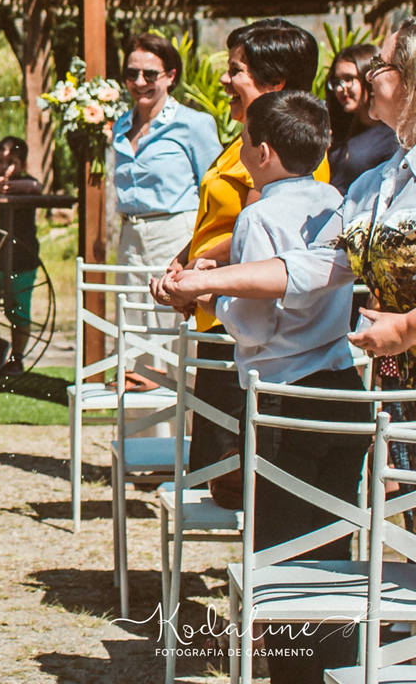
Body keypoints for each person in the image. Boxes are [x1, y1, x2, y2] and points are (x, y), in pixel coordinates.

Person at [154, 43, 416, 681]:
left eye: (378, 67)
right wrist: (213, 275)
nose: (356, 79)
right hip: (388, 392)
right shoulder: (377, 182)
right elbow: (319, 266)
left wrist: (409, 326)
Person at [153, 18, 328, 479]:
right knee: (221, 478)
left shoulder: (284, 153)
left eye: (237, 71)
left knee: (239, 480)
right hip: (221, 319)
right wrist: (186, 257)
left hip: (247, 332)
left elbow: (264, 235)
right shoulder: (242, 140)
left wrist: (199, 278)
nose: (225, 81)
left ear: (274, 83)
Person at [112, 33, 221, 287]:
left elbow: (214, 189)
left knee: (169, 317)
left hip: (174, 235)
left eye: (150, 75)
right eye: (131, 74)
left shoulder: (193, 124)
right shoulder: (120, 126)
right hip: (130, 235)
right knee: (130, 316)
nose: (139, 82)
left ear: (171, 76)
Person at [325, 42, 400, 194]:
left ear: (369, 77)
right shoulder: (338, 129)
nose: (341, 88)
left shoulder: (392, 136)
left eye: (348, 79)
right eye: (337, 81)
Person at [0, 136, 41, 372]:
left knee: (19, 309)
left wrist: (6, 186)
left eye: (11, 162)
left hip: (23, 260)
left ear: (22, 164)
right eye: (0, 161)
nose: (4, 167)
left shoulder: (27, 183)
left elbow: (36, 188)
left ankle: (17, 357)